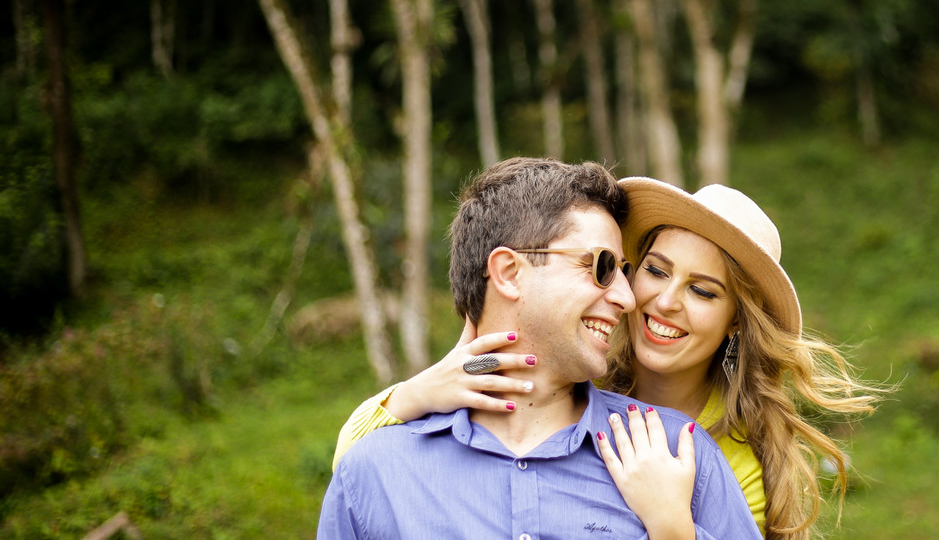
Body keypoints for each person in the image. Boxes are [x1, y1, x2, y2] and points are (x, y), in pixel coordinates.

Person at [333, 175, 883, 539]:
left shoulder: (719, 462)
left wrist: (672, 526)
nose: (658, 301)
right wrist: (409, 397)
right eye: (653, 271)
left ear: (735, 322)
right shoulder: (571, 370)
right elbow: (360, 473)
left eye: (703, 290)